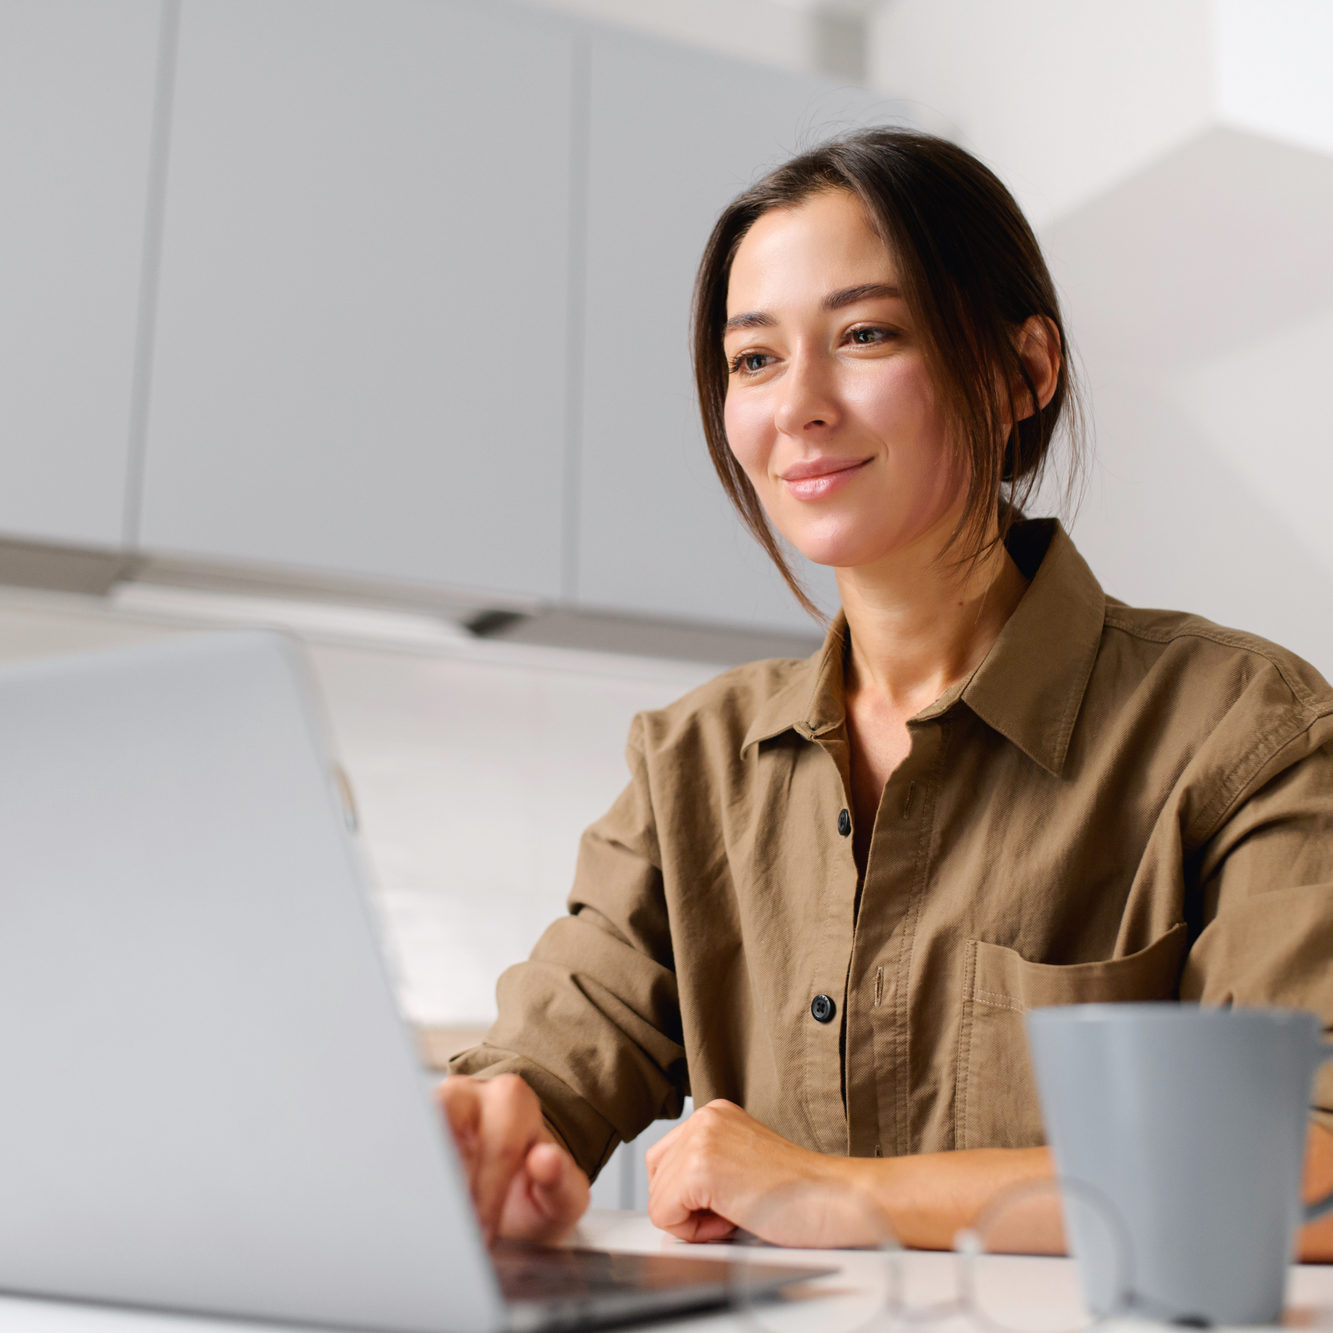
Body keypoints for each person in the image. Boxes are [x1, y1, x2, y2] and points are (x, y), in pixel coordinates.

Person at [440, 128, 1333, 1255]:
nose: (798, 406)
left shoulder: (1243, 731)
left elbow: (1312, 1161)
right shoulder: (690, 762)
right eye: (754, 359)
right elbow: (553, 1061)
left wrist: (835, 1191)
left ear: (1025, 371)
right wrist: (485, 1132)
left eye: (864, 335)